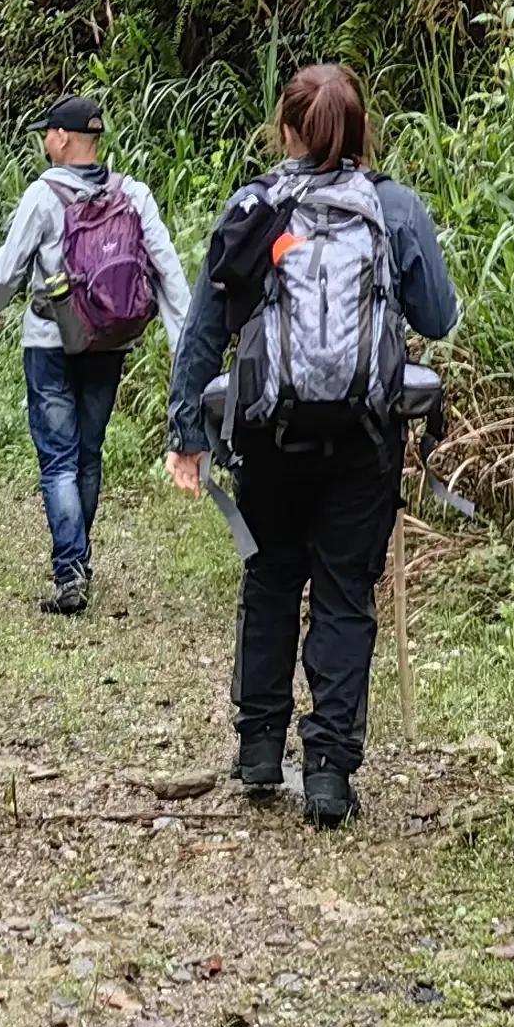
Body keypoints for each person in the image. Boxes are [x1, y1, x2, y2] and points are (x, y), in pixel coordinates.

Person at [167, 62, 454, 828]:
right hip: (366, 438)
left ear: (285, 129)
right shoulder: (393, 208)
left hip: (269, 436)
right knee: (344, 595)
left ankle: (260, 748)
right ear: (364, 131)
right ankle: (327, 771)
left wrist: (186, 434)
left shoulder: (255, 207)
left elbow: (204, 329)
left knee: (270, 580)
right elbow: (438, 314)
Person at [0, 92, 189, 615]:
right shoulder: (134, 194)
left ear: (64, 138)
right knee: (88, 452)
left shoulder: (43, 195)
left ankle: (70, 569)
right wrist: (183, 340)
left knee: (57, 460)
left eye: (48, 132)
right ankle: (78, 557)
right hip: (111, 341)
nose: (45, 140)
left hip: (50, 341)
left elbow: (8, 267)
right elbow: (166, 268)